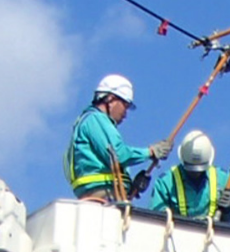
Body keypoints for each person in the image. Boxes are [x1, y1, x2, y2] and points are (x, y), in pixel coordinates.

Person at [65, 74, 171, 202]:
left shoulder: (90, 122)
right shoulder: (95, 119)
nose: (125, 114)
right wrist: (150, 152)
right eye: (125, 106)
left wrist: (129, 186)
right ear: (110, 99)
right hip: (102, 194)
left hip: (102, 193)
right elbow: (118, 155)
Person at [148, 130, 230, 221]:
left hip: (212, 233)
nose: (196, 173)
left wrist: (227, 210)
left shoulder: (223, 179)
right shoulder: (166, 183)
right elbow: (156, 219)